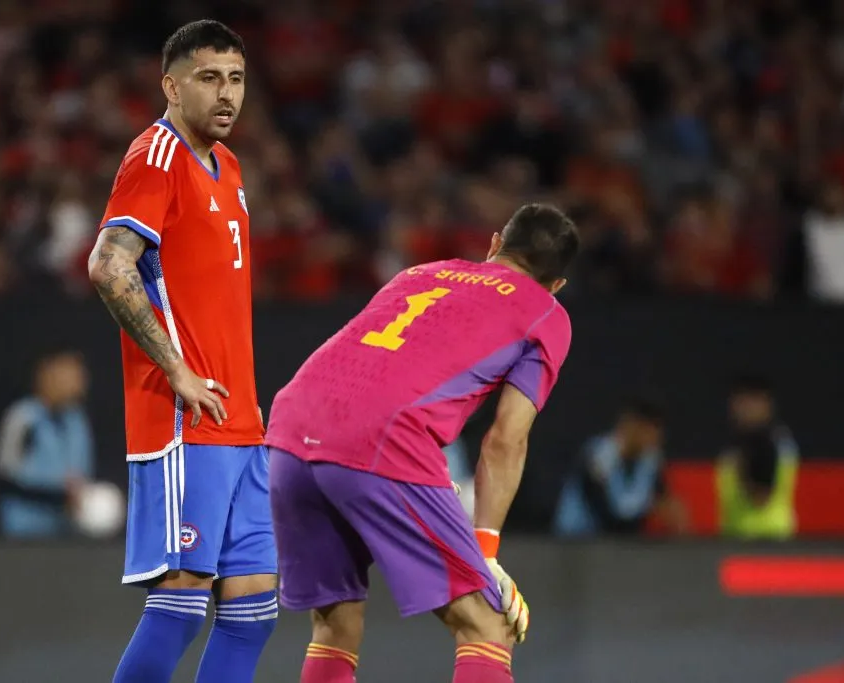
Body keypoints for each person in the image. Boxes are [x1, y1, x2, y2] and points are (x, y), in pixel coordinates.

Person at [266, 203, 580, 683]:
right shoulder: (546, 313)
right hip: (381, 438)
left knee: (334, 623)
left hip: (289, 429)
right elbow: (505, 441)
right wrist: (485, 551)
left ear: (494, 244)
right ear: (556, 285)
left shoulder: (421, 273)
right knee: (486, 623)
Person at [87, 20, 276, 683]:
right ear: (171, 84)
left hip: (240, 419)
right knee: (181, 604)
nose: (226, 94)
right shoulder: (155, 156)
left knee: (255, 608)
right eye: (208, 78)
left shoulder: (229, 166)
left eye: (236, 79)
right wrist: (178, 371)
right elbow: (109, 266)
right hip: (184, 419)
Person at [0, 351, 93, 538]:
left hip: (66, 533)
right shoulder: (23, 417)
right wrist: (57, 499)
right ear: (48, 375)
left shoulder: (76, 421)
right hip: (24, 533)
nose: (79, 380)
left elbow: (81, 476)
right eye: (69, 373)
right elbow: (4, 477)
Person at [553, 399, 688, 537]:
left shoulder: (650, 460)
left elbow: (662, 499)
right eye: (649, 431)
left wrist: (669, 508)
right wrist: (651, 505)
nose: (654, 439)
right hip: (575, 541)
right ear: (632, 426)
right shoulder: (597, 456)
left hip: (613, 545)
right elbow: (608, 515)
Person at [717, 374, 798, 539]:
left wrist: (743, 468)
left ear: (767, 405)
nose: (743, 408)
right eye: (739, 401)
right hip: (740, 536)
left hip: (763, 540)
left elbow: (759, 497)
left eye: (750, 402)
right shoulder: (742, 443)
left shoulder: (765, 443)